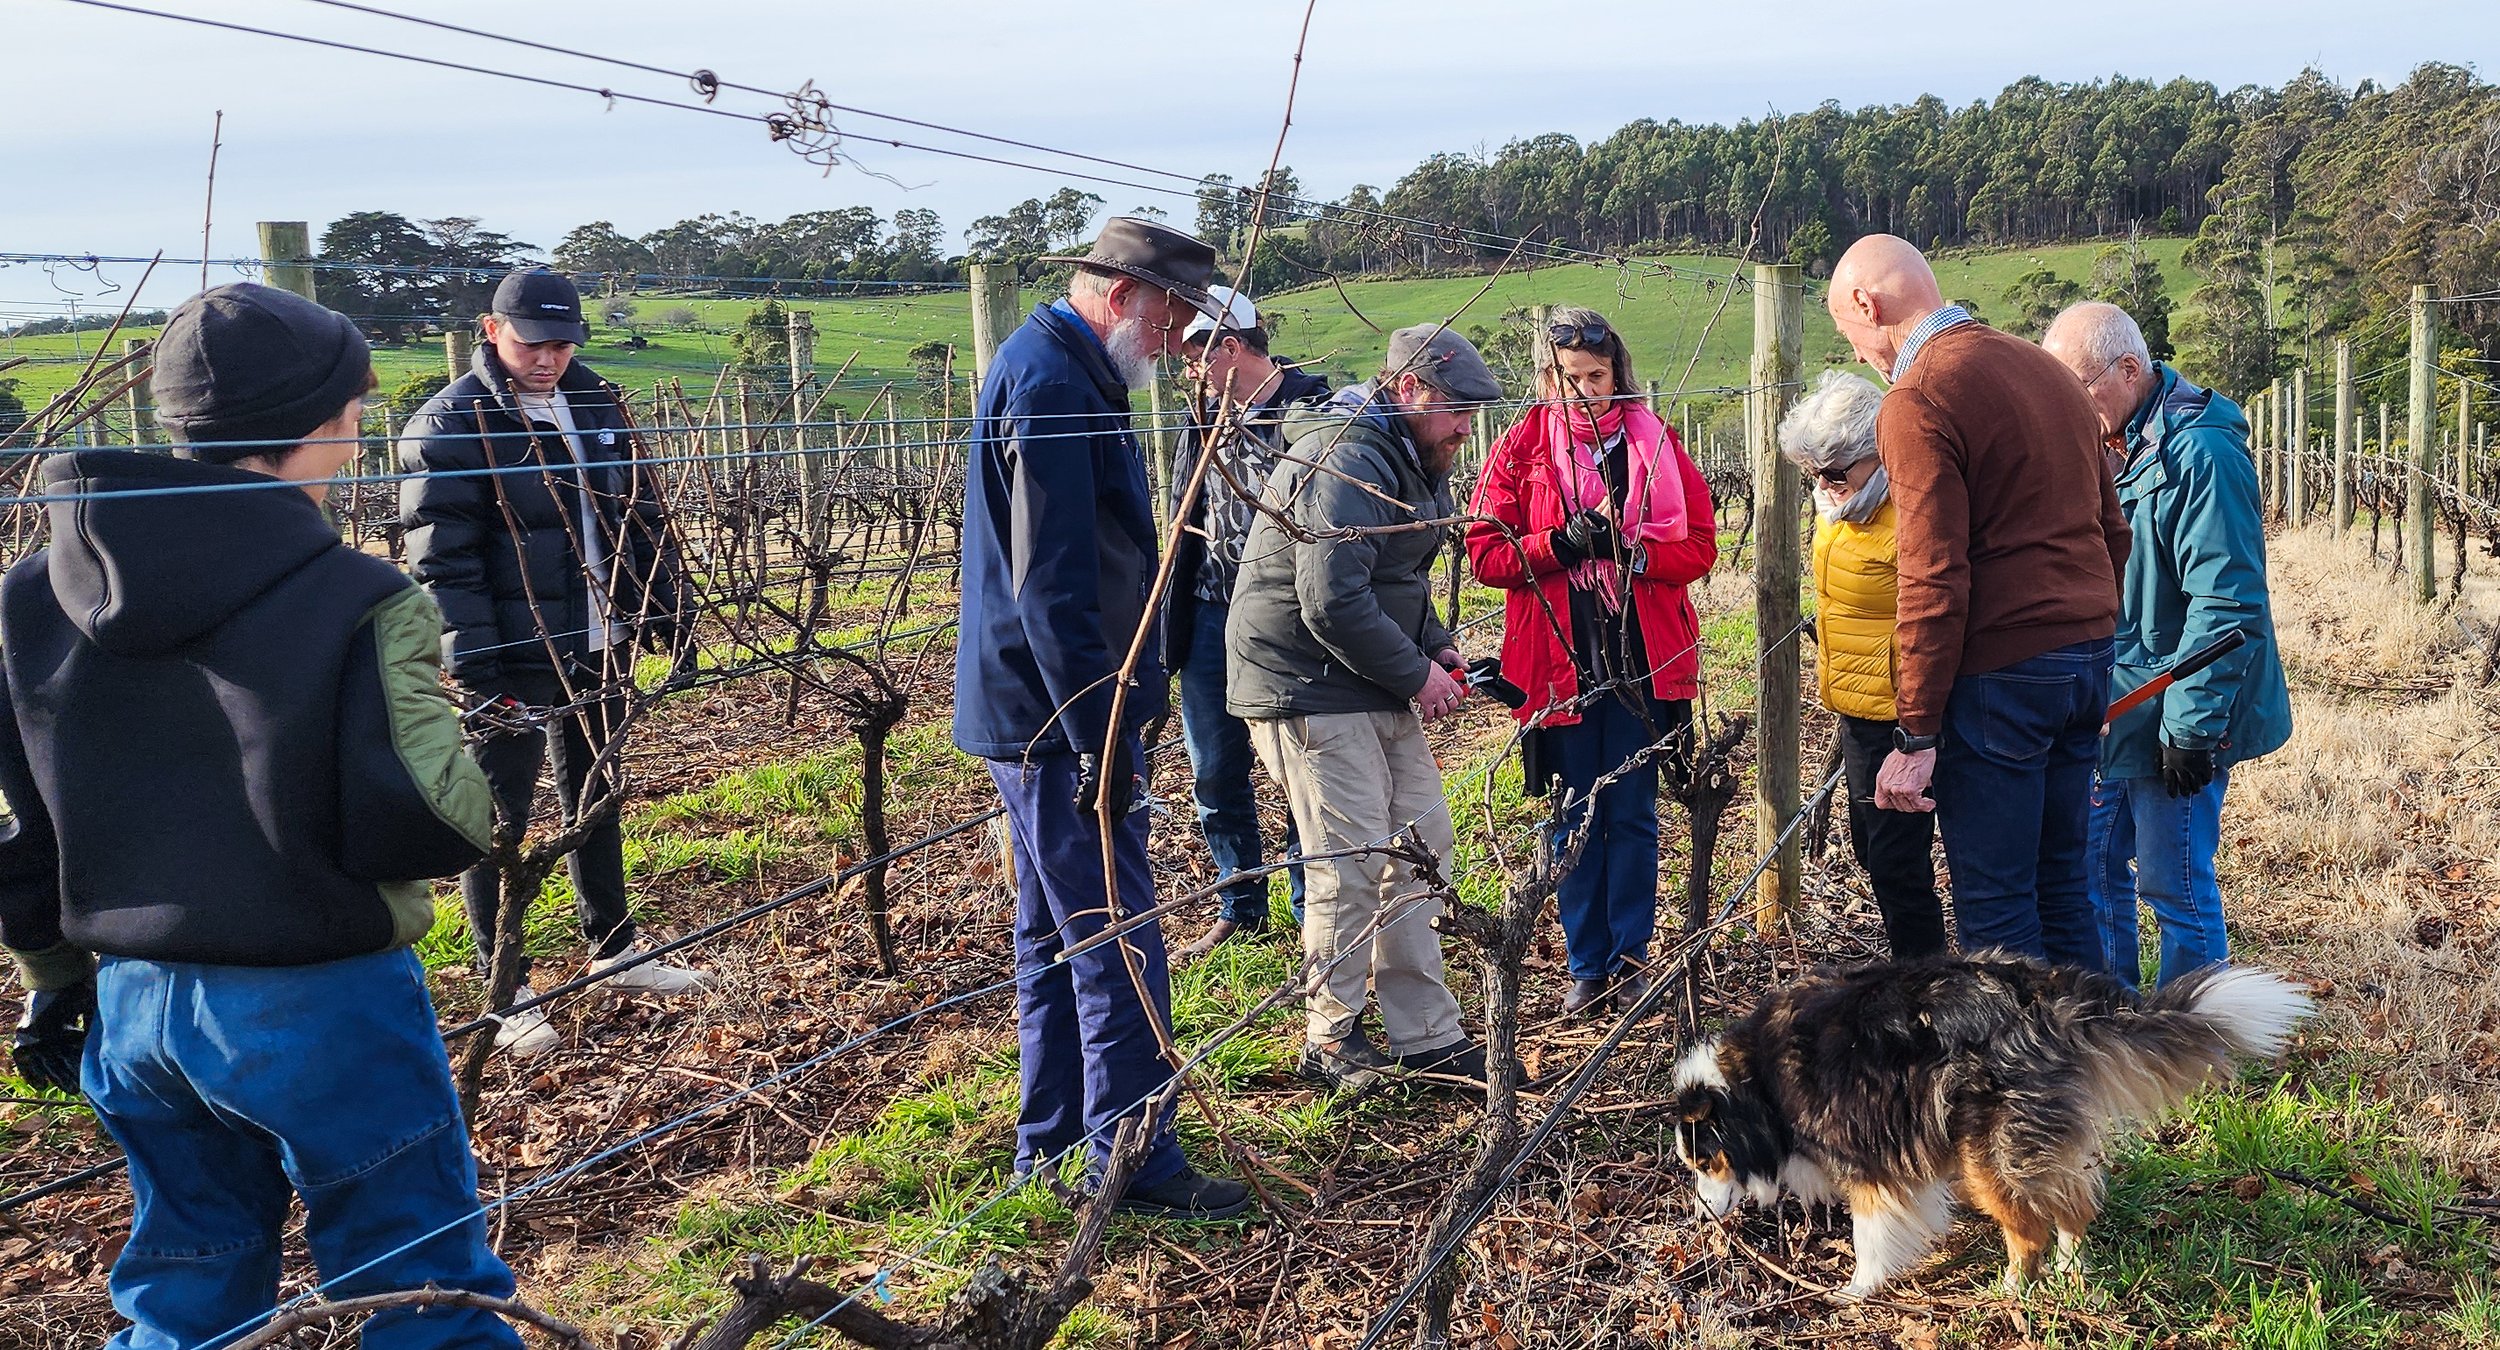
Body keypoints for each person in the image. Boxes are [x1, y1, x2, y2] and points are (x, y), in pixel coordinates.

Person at [0, 283, 522, 1350]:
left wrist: (49, 977)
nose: (357, 439)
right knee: (418, 1281)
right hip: (318, 997)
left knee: (186, 1283)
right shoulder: (356, 595)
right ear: (319, 422)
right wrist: (472, 756)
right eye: (354, 414)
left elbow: (28, 820)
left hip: (133, 1002)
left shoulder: (27, 595)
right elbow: (432, 819)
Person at [953, 218, 1249, 1220]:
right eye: (1170, 318)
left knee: (1054, 933)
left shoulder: (1067, 365)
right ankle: (1132, 1159)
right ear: (1121, 297)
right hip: (1061, 715)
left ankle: (1053, 1145)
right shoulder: (1051, 383)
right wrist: (1102, 736)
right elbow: (1053, 584)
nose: (1176, 341)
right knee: (1117, 935)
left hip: (1037, 709)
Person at [401, 267, 706, 1059]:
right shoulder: (450, 424)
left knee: (597, 791)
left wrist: (667, 610)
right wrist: (478, 665)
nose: (547, 359)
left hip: (601, 637)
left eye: (563, 344)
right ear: (491, 330)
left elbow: (642, 514)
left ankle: (616, 949)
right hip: (513, 652)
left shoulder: (599, 403)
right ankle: (505, 990)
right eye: (531, 343)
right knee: (499, 819)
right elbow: (443, 563)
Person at [1825, 234, 2128, 971]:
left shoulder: (1918, 396)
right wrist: (2087, 630)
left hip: (2001, 678)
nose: (1859, 353)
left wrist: (1916, 734)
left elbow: (1933, 573)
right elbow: (2113, 530)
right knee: (2064, 884)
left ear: (1867, 303)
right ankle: (2095, 1041)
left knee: (1996, 905)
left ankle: (2019, 1051)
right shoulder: (2047, 369)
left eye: (1848, 333)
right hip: (2085, 659)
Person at [1229, 324, 1501, 1090]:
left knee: (1422, 845)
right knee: (1349, 864)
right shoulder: (1346, 455)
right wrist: (1417, 676)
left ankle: (1425, 1033)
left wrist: (1435, 647)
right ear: (1409, 388)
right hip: (1305, 679)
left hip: (1366, 674)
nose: (1465, 428)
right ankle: (1331, 1039)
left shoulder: (1411, 453)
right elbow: (1331, 600)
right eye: (1456, 409)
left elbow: (1395, 579)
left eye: (1472, 414)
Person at [1466, 308, 1717, 1015]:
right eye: (1569, 378)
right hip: (1559, 660)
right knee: (1573, 815)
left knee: (1632, 812)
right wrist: (1559, 545)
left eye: (1596, 376)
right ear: (1548, 379)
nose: (1584, 391)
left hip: (1642, 658)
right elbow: (1485, 554)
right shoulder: (1520, 449)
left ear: (1617, 373)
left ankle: (1633, 957)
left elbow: (1700, 545)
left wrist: (1636, 556)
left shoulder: (1656, 442)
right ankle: (1586, 962)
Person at [2042, 301, 2292, 989]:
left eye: (2079, 386)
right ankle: (2116, 1023)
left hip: (2178, 707)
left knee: (2173, 881)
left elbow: (2227, 603)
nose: (2070, 405)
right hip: (2118, 702)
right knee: (2092, 867)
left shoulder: (2203, 454)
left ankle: (2197, 1038)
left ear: (2130, 370)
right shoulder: (2107, 442)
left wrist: (2191, 729)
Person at [1166, 286, 1330, 958]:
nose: (1190, 371)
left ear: (1231, 348)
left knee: (1298, 765)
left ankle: (1309, 904)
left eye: (1196, 357)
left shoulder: (1311, 413)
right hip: (1210, 615)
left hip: (1288, 620)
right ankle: (1241, 905)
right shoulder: (1202, 417)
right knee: (1214, 768)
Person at [1775, 370, 1947, 960]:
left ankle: (1925, 983)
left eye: (1834, 472)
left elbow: (1934, 615)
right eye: (1813, 474)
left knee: (1900, 866)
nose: (1823, 486)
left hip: (1904, 714)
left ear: (1879, 453)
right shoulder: (1840, 507)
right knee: (1873, 851)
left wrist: (1917, 727)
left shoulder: (1912, 513)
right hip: (1856, 710)